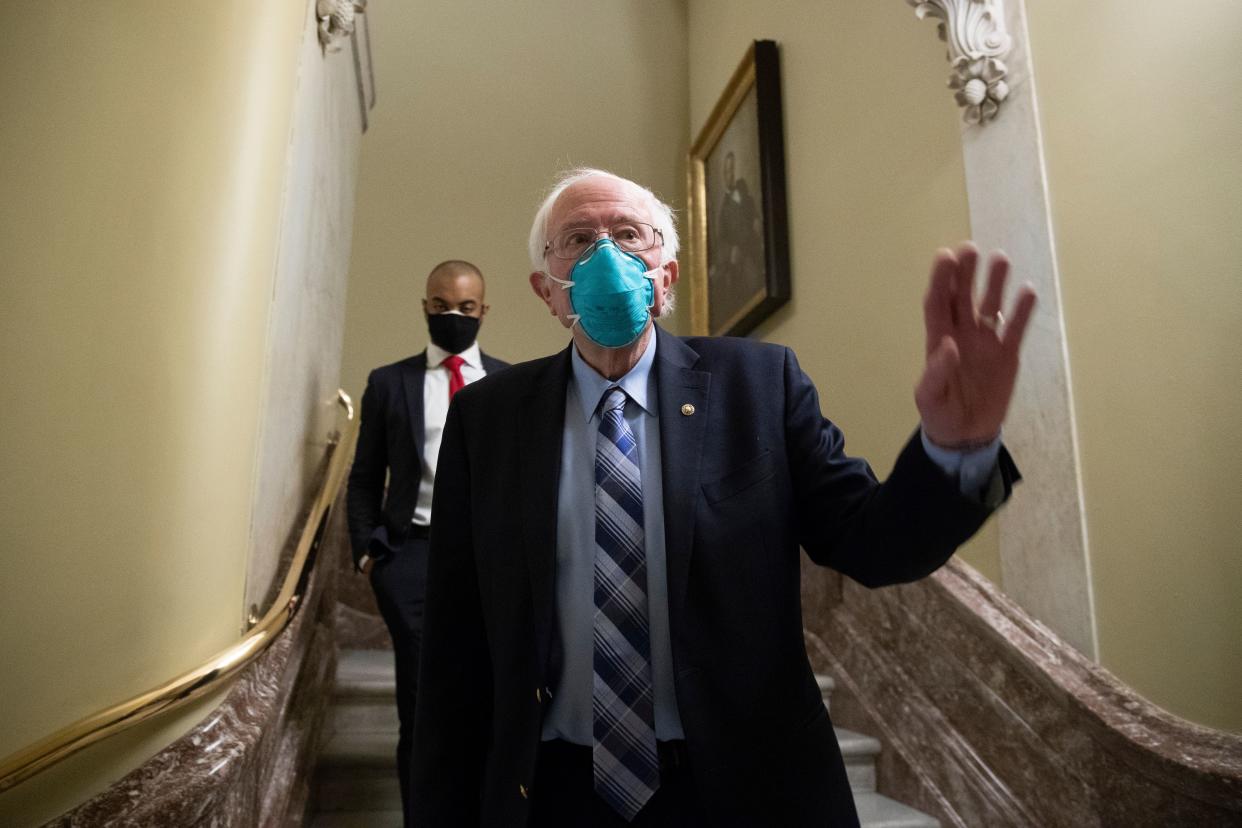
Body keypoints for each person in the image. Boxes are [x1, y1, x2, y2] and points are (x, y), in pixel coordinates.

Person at [410, 170, 1036, 827]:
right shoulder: (487, 419)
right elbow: (454, 649)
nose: (606, 256)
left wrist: (955, 449)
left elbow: (872, 544)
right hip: (555, 791)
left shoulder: (759, 385)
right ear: (546, 289)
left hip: (741, 788)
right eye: (578, 239)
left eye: (629, 235)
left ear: (667, 275)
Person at [345, 259, 509, 824]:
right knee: (421, 698)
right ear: (425, 307)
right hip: (411, 554)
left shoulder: (510, 384)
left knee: (489, 693)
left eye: (466, 308)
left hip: (489, 557)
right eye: (442, 306)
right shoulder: (389, 383)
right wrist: (368, 551)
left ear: (484, 311)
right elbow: (365, 475)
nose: (454, 316)